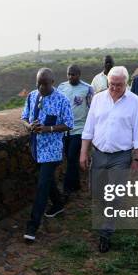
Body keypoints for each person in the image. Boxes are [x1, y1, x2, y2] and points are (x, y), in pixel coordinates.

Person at [80, 66, 138, 253]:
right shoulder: (98, 99)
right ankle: (108, 215)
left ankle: (106, 232)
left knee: (114, 195)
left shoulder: (135, 102)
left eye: (119, 85)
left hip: (121, 156)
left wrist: (137, 160)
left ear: (126, 83)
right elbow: (89, 128)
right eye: (112, 84)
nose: (115, 88)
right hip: (99, 153)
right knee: (96, 192)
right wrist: (84, 152)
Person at [21, 68, 74, 242]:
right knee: (48, 181)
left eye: (44, 84)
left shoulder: (62, 100)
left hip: (52, 150)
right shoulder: (32, 96)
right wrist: (30, 126)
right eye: (38, 83)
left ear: (52, 82)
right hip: (36, 148)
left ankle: (32, 226)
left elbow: (69, 124)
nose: (41, 87)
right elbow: (24, 118)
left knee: (42, 186)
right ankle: (58, 204)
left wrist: (48, 129)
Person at [57, 64, 94, 199]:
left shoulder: (87, 88)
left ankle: (67, 189)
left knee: (72, 156)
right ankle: (76, 184)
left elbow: (91, 109)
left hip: (80, 129)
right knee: (69, 158)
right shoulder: (62, 87)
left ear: (79, 74)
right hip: (65, 129)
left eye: (73, 74)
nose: (71, 77)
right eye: (69, 74)